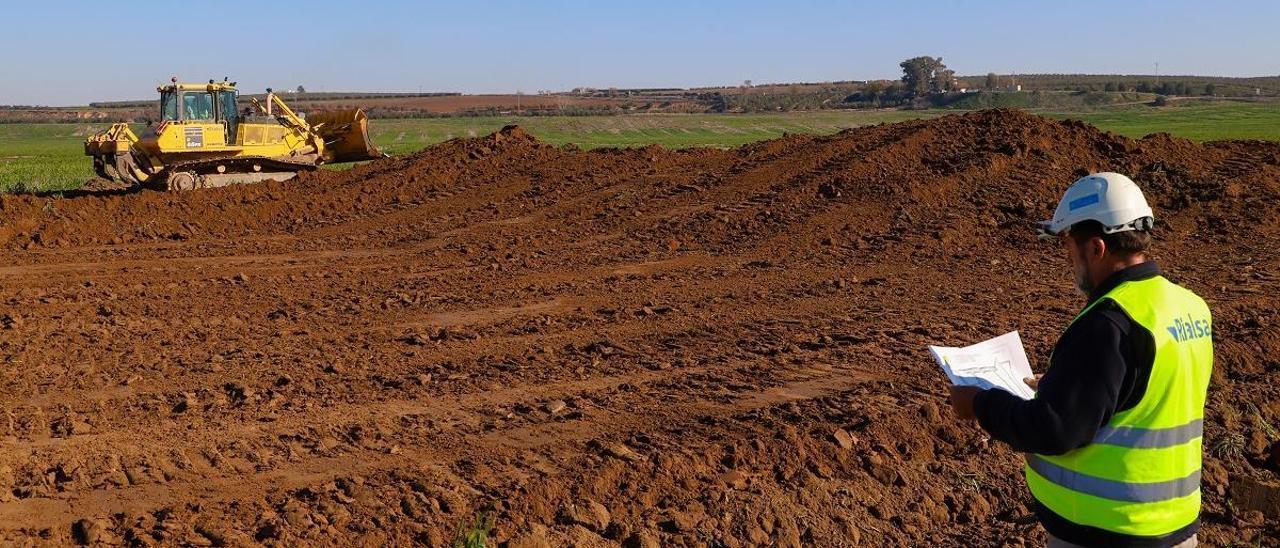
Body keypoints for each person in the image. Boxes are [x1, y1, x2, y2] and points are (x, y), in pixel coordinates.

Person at [949, 172, 1212, 548]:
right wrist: (1067, 381)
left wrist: (978, 403)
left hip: (1107, 531)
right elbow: (1147, 390)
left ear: (1096, 248)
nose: (1068, 259)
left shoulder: (1109, 323)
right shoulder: (1190, 307)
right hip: (1173, 526)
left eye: (1069, 246)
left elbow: (1053, 430)